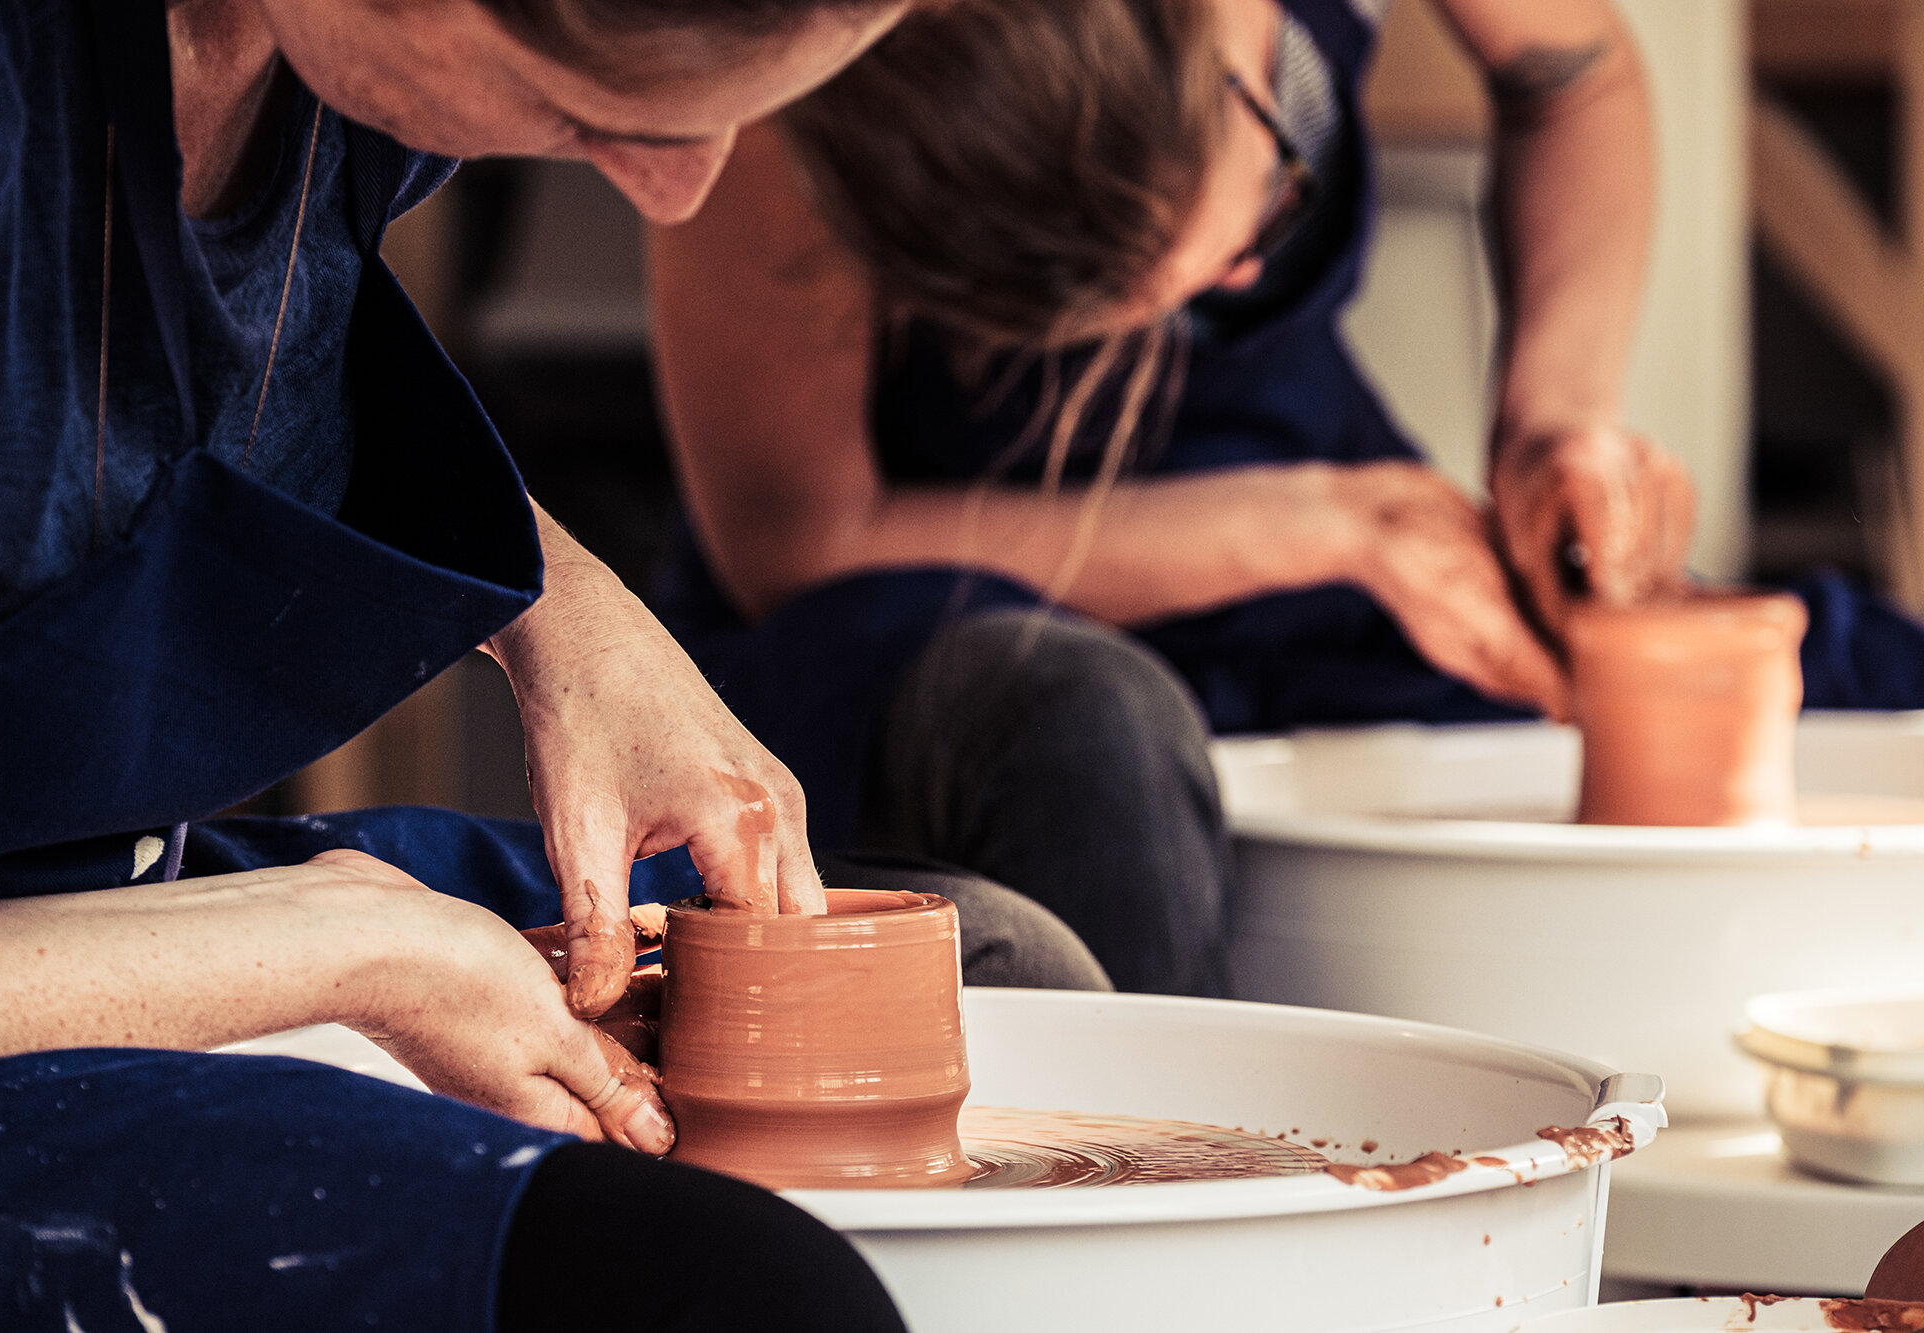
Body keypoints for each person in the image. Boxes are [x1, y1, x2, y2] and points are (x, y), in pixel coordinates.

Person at [0, 0, 1106, 1327]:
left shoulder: (333, 78)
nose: (681, 186)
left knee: (1004, 972)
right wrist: (334, 950)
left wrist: (568, 620)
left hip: (117, 871)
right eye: (600, 101)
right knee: (731, 1296)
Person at [648, 0, 1924, 997]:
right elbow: (798, 537)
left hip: (1319, 520)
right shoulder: (785, 83)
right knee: (1092, 746)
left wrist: (1553, 417)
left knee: (1855, 671)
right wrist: (1323, 527)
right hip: (943, 594)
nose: (1251, 264)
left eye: (1266, 185)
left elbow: (1570, 72)